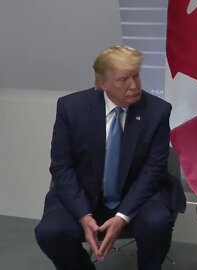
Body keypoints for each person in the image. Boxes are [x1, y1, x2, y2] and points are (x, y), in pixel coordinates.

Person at [35, 45, 186, 270]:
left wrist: (123, 216)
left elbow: (153, 169)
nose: (134, 86)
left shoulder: (157, 111)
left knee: (157, 223)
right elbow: (61, 167)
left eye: (136, 76)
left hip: (137, 194)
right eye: (123, 80)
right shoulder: (71, 108)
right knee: (50, 232)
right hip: (84, 195)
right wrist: (83, 215)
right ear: (102, 84)